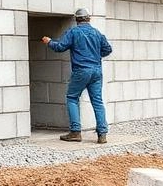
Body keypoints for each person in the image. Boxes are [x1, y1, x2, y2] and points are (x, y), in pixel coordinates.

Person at [41, 8, 112, 144]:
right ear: (88, 18)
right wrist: (95, 56)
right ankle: (102, 134)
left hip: (81, 70)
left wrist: (49, 42)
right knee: (97, 101)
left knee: (72, 98)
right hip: (96, 71)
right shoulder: (97, 33)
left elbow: (60, 47)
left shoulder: (74, 32)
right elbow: (107, 49)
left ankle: (75, 132)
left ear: (76, 19)